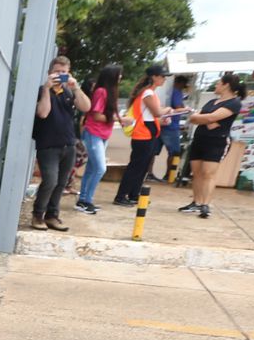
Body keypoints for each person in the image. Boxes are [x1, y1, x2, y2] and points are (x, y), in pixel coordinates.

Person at [30, 55, 91, 231]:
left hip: (68, 144)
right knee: (50, 180)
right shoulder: (43, 90)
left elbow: (86, 107)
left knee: (61, 183)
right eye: (57, 72)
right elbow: (43, 113)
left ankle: (52, 215)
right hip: (48, 144)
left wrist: (77, 88)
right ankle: (38, 214)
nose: (60, 75)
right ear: (49, 72)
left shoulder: (69, 92)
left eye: (64, 72)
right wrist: (48, 89)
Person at [180, 74, 246, 218]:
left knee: (208, 173)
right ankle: (196, 202)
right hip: (200, 138)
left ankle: (206, 204)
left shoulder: (234, 103)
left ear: (226, 85)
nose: (216, 86)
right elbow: (198, 119)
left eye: (218, 83)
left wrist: (202, 118)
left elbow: (211, 118)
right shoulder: (211, 102)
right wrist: (202, 118)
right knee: (196, 172)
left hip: (217, 140)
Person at [114, 65, 174, 206]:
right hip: (143, 134)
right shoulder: (147, 93)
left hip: (148, 133)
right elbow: (157, 112)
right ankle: (121, 195)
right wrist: (168, 110)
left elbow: (152, 115)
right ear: (154, 77)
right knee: (136, 166)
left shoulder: (149, 93)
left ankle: (134, 194)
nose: (164, 79)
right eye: (162, 76)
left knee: (142, 166)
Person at [76, 64, 123, 214]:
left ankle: (84, 200)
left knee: (92, 168)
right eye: (119, 74)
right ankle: (85, 200)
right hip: (93, 132)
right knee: (100, 168)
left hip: (102, 134)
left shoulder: (110, 92)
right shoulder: (101, 92)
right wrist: (115, 118)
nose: (121, 77)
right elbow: (96, 115)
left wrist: (116, 119)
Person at [150, 74, 191, 181]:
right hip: (171, 126)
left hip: (160, 123)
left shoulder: (165, 92)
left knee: (153, 151)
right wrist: (186, 109)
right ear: (181, 83)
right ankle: (169, 175)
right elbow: (178, 107)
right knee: (175, 152)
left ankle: (149, 173)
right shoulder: (176, 92)